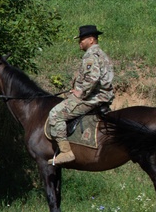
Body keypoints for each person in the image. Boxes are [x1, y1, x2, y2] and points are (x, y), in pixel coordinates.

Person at [47, 24, 114, 165]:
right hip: (103, 96)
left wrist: (80, 92)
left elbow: (92, 78)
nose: (80, 42)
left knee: (55, 114)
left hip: (92, 98)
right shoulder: (101, 54)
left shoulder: (90, 55)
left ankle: (66, 152)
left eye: (82, 39)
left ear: (91, 39)